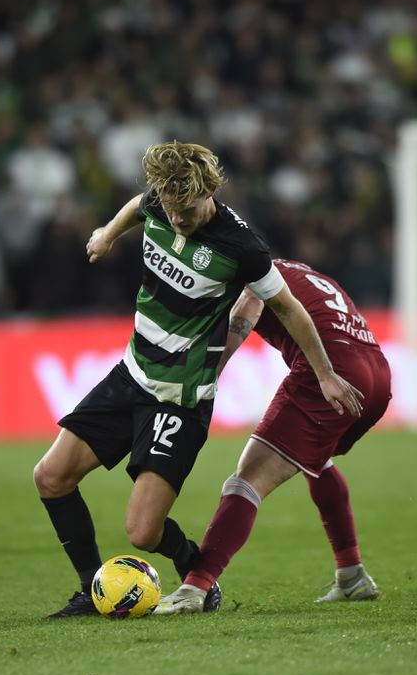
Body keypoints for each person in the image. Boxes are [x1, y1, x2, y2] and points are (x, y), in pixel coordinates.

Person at [32, 142, 363, 618]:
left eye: (185, 208)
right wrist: (107, 234)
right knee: (50, 477)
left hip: (179, 401)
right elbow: (137, 206)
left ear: (209, 190)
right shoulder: (160, 201)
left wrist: (326, 374)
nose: (176, 216)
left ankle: (193, 567)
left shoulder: (241, 247)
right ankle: (91, 590)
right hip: (131, 374)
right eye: (168, 205)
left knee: (142, 533)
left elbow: (288, 307)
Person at [155, 259, 391, 614]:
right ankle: (352, 575)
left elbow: (251, 300)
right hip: (376, 373)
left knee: (246, 481)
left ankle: (194, 588)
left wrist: (212, 372)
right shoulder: (302, 270)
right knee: (315, 460)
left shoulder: (243, 266)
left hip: (330, 372)